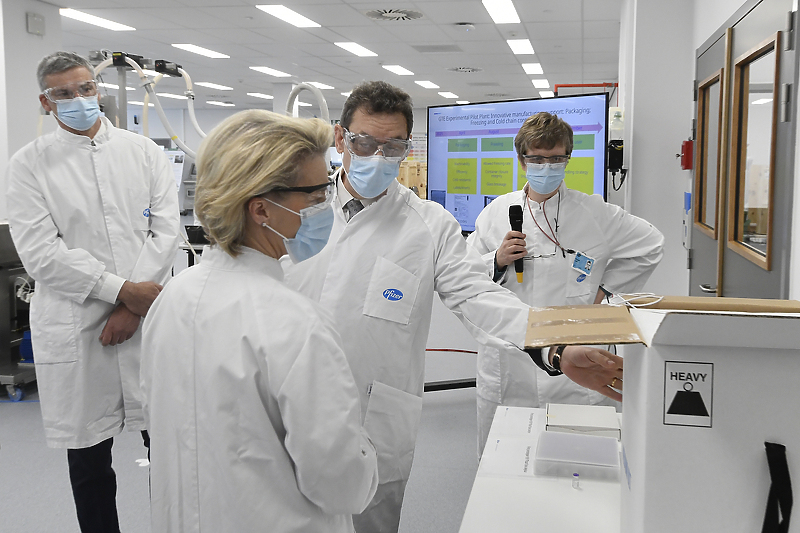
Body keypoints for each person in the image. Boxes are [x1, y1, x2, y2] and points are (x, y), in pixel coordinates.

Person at [282, 81, 624, 533]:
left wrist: (554, 346)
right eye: (366, 142)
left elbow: (478, 296)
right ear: (341, 138)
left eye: (394, 146)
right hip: (286, 406)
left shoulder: (428, 225)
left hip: (373, 420)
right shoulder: (292, 210)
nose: (378, 156)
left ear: (407, 148)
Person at [140, 109, 379, 532]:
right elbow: (339, 483)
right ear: (261, 210)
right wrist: (367, 453)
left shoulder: (173, 297)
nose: (327, 206)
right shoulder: (294, 322)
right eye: (316, 194)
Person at [6, 51, 180, 532]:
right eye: (64, 93)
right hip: (78, 328)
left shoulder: (143, 151)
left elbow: (165, 232)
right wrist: (124, 291)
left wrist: (133, 308)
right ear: (47, 102)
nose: (79, 99)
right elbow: (42, 254)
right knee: (89, 463)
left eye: (85, 88)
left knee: (167, 448)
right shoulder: (27, 166)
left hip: (144, 323)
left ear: (96, 88)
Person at [467, 111, 665, 454]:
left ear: (567, 159)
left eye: (556, 158)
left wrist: (605, 291)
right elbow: (464, 276)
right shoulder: (496, 213)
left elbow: (651, 245)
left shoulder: (595, 213)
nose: (547, 167)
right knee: (505, 463)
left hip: (576, 360)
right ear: (522, 160)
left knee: (581, 462)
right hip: (510, 361)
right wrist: (496, 260)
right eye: (537, 159)